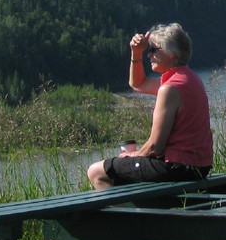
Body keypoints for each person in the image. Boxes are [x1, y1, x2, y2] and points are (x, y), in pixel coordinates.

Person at [87, 22, 213, 189]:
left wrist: (133, 155)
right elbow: (138, 83)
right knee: (125, 167)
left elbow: (155, 147)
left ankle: (123, 215)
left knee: (96, 171)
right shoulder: (190, 79)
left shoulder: (169, 88)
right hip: (199, 167)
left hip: (176, 167)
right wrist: (136, 53)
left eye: (153, 49)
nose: (149, 55)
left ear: (172, 54)